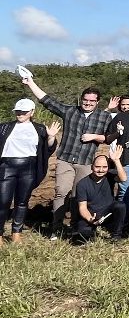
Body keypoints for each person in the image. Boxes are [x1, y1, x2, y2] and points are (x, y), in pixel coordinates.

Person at [21, 77, 113, 237]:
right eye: (85, 100)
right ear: (81, 99)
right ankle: (56, 228)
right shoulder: (70, 111)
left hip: (86, 162)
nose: (88, 103)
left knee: (79, 195)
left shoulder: (104, 117)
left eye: (92, 101)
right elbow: (47, 101)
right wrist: (31, 83)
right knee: (61, 192)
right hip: (65, 159)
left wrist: (94, 137)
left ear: (97, 102)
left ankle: (76, 227)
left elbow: (109, 137)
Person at [0, 98, 59, 243]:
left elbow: (48, 149)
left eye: (24, 112)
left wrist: (51, 137)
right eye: (18, 111)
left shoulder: (40, 129)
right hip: (7, 166)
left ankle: (16, 233)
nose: (20, 114)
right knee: (3, 201)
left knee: (22, 201)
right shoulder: (4, 127)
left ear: (32, 112)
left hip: (29, 167)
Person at [73, 146, 128, 243]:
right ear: (92, 167)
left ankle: (116, 236)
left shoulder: (110, 176)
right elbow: (82, 208)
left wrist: (116, 160)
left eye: (104, 167)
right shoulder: (82, 184)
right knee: (81, 238)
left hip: (108, 214)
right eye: (97, 167)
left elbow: (123, 178)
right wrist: (90, 219)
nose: (101, 170)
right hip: (91, 215)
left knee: (120, 205)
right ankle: (91, 231)